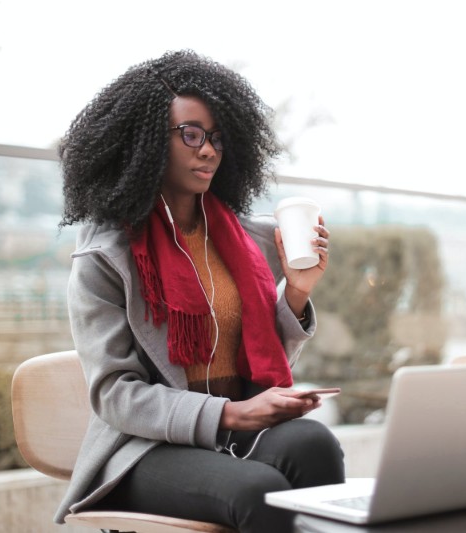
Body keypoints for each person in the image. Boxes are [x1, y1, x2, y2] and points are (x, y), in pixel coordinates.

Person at [55, 49, 345, 533]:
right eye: (191, 134)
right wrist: (229, 414)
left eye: (217, 137)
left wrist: (295, 292)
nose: (208, 150)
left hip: (232, 429)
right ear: (146, 140)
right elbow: (115, 395)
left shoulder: (247, 240)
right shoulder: (105, 257)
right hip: (145, 449)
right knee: (258, 489)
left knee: (314, 444)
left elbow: (261, 357)